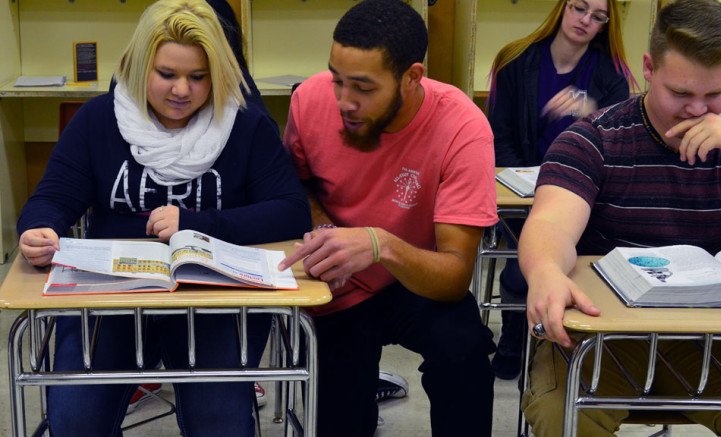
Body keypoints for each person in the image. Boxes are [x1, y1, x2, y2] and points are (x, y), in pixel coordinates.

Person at [16, 0, 310, 435]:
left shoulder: (244, 125)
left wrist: (199, 225)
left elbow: (290, 211)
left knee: (222, 425)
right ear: (139, 68)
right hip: (111, 300)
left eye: (198, 77)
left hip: (211, 301)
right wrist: (39, 227)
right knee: (76, 422)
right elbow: (54, 197)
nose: (181, 91)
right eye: (167, 75)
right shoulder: (100, 119)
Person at [517, 0, 721, 435]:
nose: (699, 111)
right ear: (649, 69)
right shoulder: (593, 140)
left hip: (704, 340)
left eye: (715, 94)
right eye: (681, 94)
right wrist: (544, 271)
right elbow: (550, 225)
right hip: (602, 339)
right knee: (562, 417)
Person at [277, 0, 498, 435]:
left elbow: (454, 275)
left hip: (412, 277)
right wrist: (325, 229)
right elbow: (294, 188)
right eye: (337, 79)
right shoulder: (308, 101)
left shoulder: (462, 128)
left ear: (412, 76)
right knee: (341, 412)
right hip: (334, 285)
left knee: (465, 353)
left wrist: (380, 244)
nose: (344, 100)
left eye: (362, 87)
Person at [486, 0, 637, 380]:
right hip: (520, 192)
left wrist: (591, 114)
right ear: (562, 7)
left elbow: (618, 151)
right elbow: (498, 140)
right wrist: (530, 184)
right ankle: (516, 340)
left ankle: (562, 346)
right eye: (579, 8)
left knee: (565, 260)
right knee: (521, 264)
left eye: (598, 16)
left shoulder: (611, 75)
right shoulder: (515, 60)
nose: (585, 20)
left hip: (584, 198)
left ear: (606, 25)